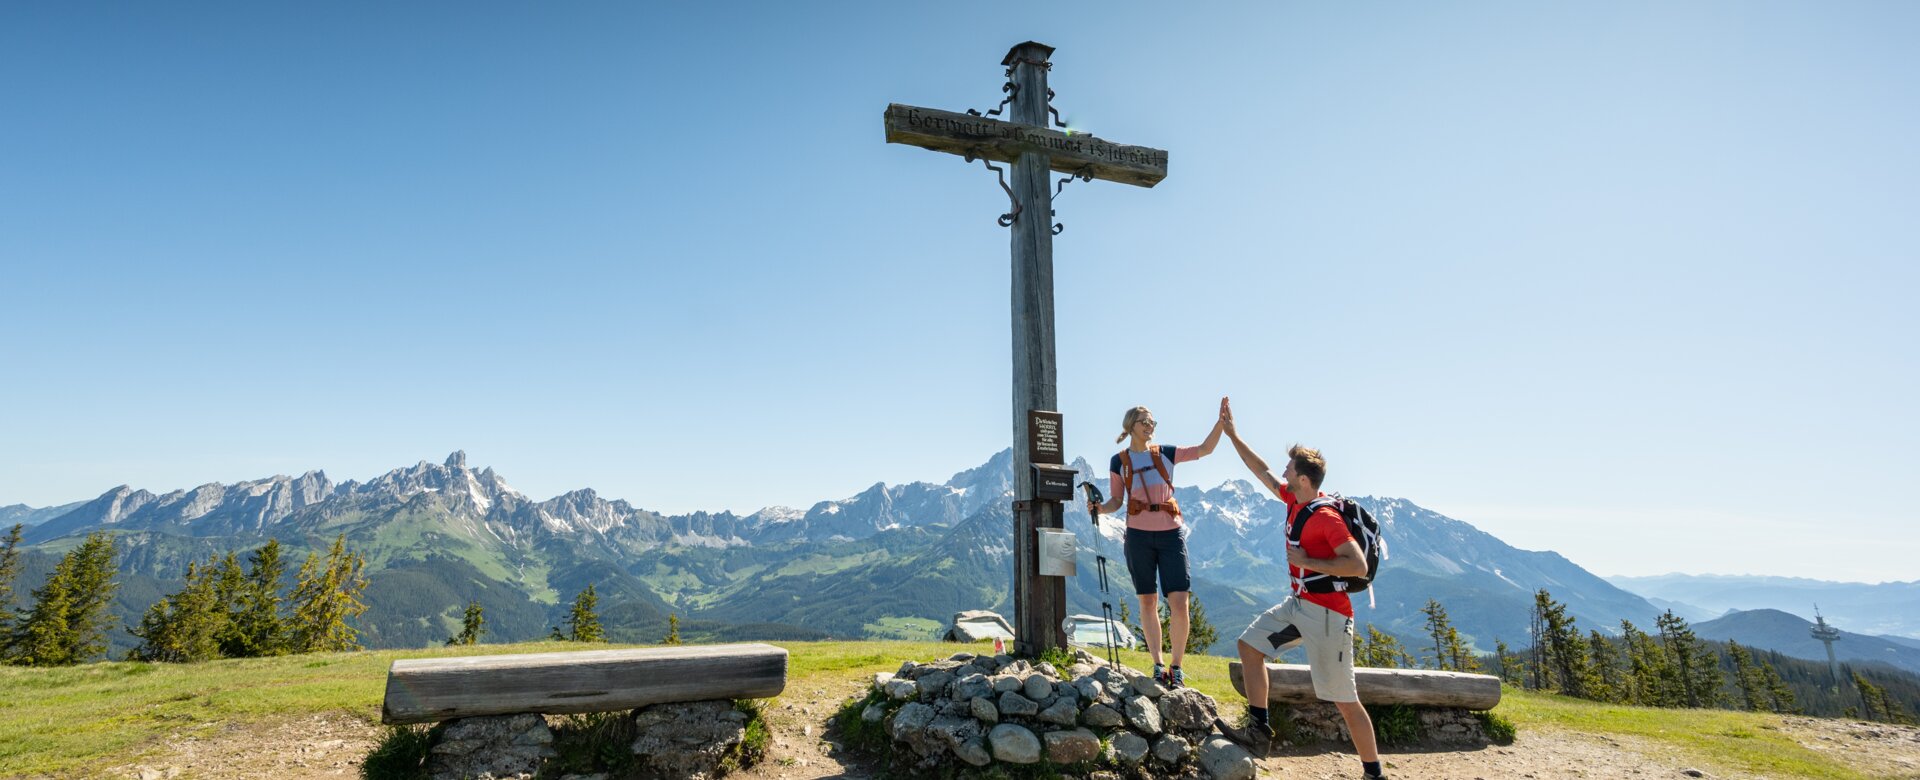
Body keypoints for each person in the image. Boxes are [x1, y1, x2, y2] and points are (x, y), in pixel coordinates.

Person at [1212, 397, 1385, 780]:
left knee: (1344, 700)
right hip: (1299, 606)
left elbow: (1356, 563)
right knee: (1249, 646)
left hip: (1329, 617)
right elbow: (1261, 470)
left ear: (1303, 478)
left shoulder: (1325, 517)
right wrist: (1232, 434)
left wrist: (1309, 563)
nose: (1284, 470)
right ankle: (1259, 732)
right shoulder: (1294, 500)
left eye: (1290, 467)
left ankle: (1373, 773)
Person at [1086, 403, 1223, 688]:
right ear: (1131, 425)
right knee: (1147, 601)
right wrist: (1099, 509)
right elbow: (1116, 501)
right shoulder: (1119, 461)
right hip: (1138, 536)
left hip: (1171, 535)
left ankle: (1177, 667)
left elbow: (1205, 449)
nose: (1151, 426)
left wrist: (1221, 423)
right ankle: (1158, 664)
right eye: (1145, 422)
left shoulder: (1166, 454)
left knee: (1179, 602)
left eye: (1153, 423)